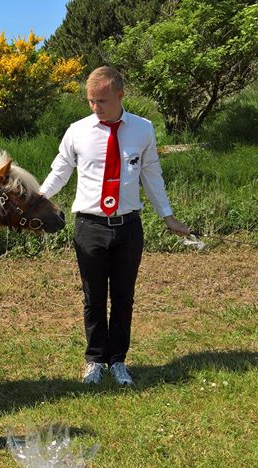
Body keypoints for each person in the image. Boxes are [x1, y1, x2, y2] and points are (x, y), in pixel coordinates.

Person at [39, 66, 189, 386]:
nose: (95, 107)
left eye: (102, 100)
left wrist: (167, 215)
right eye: (91, 101)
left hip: (128, 228)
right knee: (93, 298)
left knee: (123, 298)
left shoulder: (143, 129)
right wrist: (37, 198)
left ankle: (118, 360)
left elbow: (152, 175)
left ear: (120, 95)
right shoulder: (77, 131)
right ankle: (95, 360)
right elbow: (60, 171)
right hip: (89, 227)